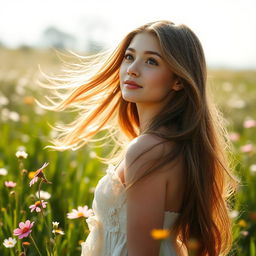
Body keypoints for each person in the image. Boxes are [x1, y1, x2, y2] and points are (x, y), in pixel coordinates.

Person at [39, 20, 238, 256]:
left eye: (151, 61)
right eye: (129, 56)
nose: (132, 69)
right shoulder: (167, 145)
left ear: (178, 80)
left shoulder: (148, 150)